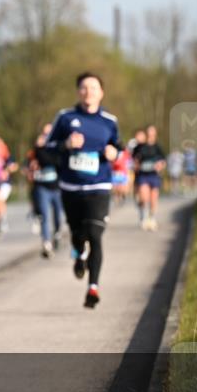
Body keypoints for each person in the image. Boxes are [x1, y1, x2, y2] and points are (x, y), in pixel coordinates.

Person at [44, 72, 121, 309]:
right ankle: (79, 252)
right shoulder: (65, 117)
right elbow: (47, 149)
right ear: (78, 92)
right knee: (78, 233)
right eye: (84, 88)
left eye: (94, 88)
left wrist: (113, 153)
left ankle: (93, 288)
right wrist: (66, 145)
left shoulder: (109, 120)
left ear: (101, 92)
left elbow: (117, 146)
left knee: (95, 234)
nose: (89, 92)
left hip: (99, 185)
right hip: (71, 187)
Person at [29, 123, 63, 258]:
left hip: (57, 188)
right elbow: (36, 161)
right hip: (42, 187)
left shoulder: (59, 147)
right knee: (44, 215)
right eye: (44, 133)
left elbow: (58, 162)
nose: (46, 136)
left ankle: (57, 233)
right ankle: (46, 243)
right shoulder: (37, 149)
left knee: (58, 216)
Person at [133, 124, 166, 231]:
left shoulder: (158, 147)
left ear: (155, 134)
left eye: (153, 132)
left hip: (154, 175)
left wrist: (160, 165)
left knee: (153, 199)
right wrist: (136, 165)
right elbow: (133, 159)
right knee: (144, 197)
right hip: (143, 175)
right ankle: (143, 215)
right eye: (149, 132)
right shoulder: (140, 146)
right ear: (146, 133)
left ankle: (151, 218)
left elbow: (163, 161)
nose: (150, 134)